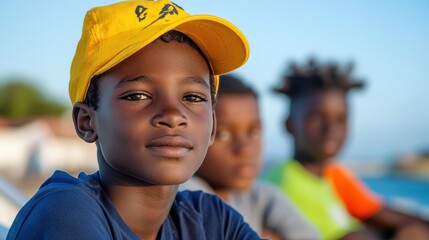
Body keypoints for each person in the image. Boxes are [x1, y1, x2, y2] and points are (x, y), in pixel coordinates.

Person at [6, 1, 262, 239]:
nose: (173, 115)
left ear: (212, 125)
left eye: (193, 97)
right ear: (87, 121)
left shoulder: (212, 220)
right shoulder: (63, 212)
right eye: (138, 95)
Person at [263, 59, 429, 240]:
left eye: (341, 119)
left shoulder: (334, 174)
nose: (331, 129)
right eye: (318, 117)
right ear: (290, 125)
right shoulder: (282, 186)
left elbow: (384, 214)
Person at [180, 74, 321, 240]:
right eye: (223, 134)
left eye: (254, 132)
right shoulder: (185, 197)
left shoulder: (262, 197)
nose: (245, 149)